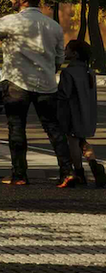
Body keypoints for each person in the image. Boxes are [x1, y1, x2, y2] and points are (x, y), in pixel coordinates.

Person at [0, 0, 72, 187]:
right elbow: (59, 59)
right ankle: (67, 172)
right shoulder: (54, 26)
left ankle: (19, 175)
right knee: (53, 128)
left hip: (17, 83)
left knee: (17, 128)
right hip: (47, 85)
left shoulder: (11, 21)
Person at [59, 39, 102, 188]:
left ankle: (79, 172)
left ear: (75, 54)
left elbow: (64, 95)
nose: (65, 52)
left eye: (67, 49)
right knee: (83, 141)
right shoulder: (89, 72)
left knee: (73, 143)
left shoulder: (69, 72)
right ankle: (95, 166)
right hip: (86, 111)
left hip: (72, 112)